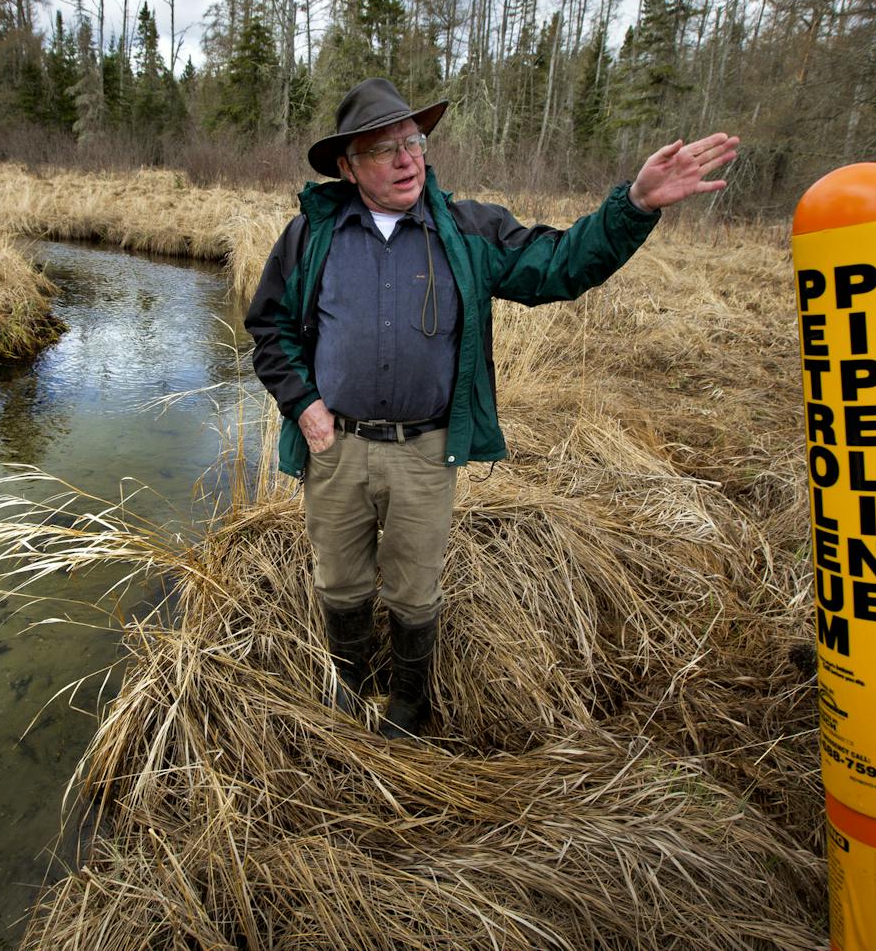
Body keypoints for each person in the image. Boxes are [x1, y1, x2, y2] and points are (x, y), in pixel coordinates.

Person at [245, 77, 738, 739]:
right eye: (384, 148)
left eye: (413, 141)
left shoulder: (468, 230)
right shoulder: (312, 235)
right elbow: (269, 327)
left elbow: (558, 265)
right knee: (340, 581)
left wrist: (635, 205)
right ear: (347, 165)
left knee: (415, 592)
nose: (407, 158)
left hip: (424, 451)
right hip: (336, 447)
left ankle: (410, 706)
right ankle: (348, 685)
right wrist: (302, 401)